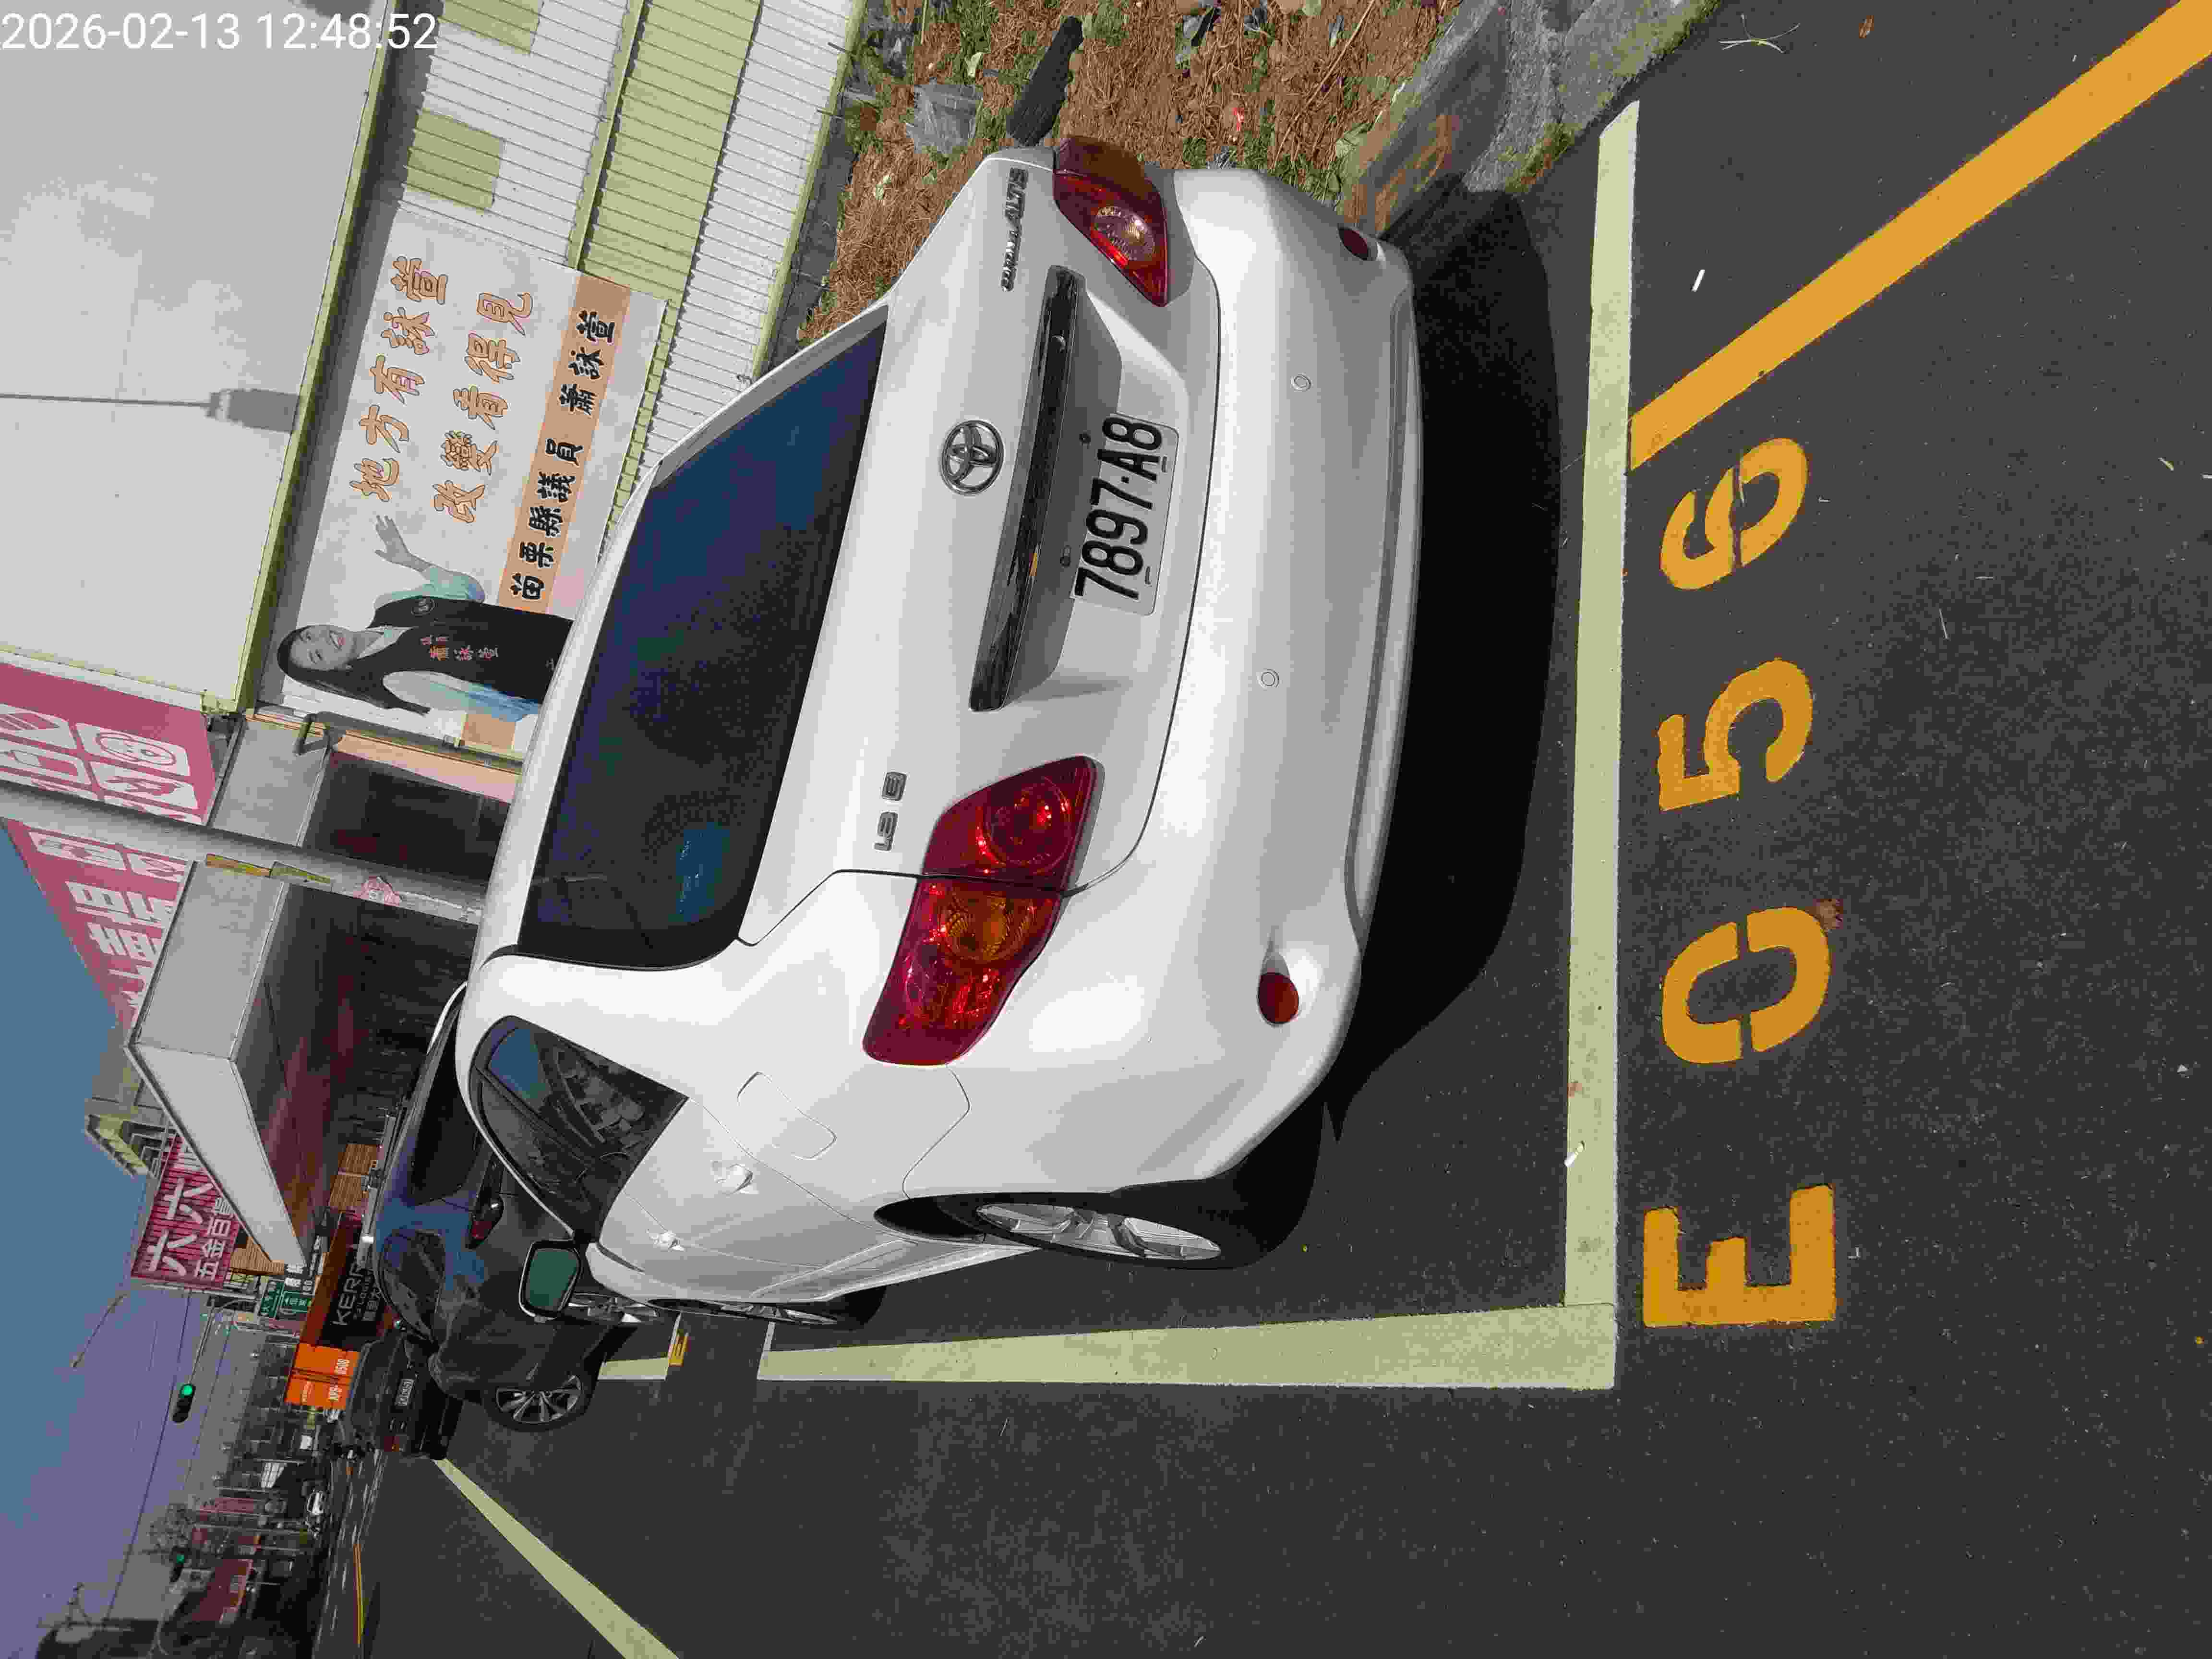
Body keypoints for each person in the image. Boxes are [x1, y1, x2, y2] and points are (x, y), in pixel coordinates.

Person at [276, 515, 570, 721]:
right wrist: (549, 702)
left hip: (556, 632)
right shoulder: (393, 681)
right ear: (333, 670)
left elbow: (471, 592)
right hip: (552, 679)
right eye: (317, 655)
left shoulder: (389, 606)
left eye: (309, 635)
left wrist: (412, 562)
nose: (323, 641)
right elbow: (484, 702)